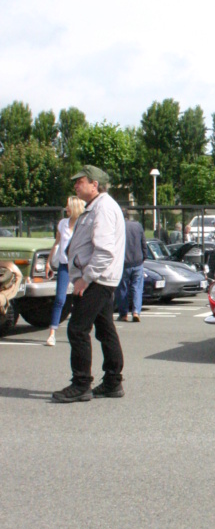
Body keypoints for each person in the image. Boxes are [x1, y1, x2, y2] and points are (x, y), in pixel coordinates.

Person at [52, 166, 125, 403]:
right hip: (100, 279)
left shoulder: (102, 208)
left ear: (94, 184)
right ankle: (113, 382)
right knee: (105, 330)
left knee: (77, 329)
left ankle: (81, 384)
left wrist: (85, 278)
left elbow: (104, 252)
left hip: (97, 280)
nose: (75, 186)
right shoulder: (98, 206)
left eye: (80, 181)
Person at [44, 195, 85, 347]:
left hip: (79, 267)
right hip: (64, 265)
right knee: (60, 299)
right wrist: (48, 262)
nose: (66, 208)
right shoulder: (62, 224)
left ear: (74, 208)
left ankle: (80, 329)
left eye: (68, 206)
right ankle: (52, 333)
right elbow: (56, 243)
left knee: (80, 298)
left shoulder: (82, 225)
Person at [116, 210, 147, 323]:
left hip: (123, 263)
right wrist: (144, 256)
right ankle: (136, 312)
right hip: (137, 261)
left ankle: (124, 314)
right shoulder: (137, 226)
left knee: (122, 289)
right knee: (137, 288)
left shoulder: (118, 227)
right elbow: (143, 242)